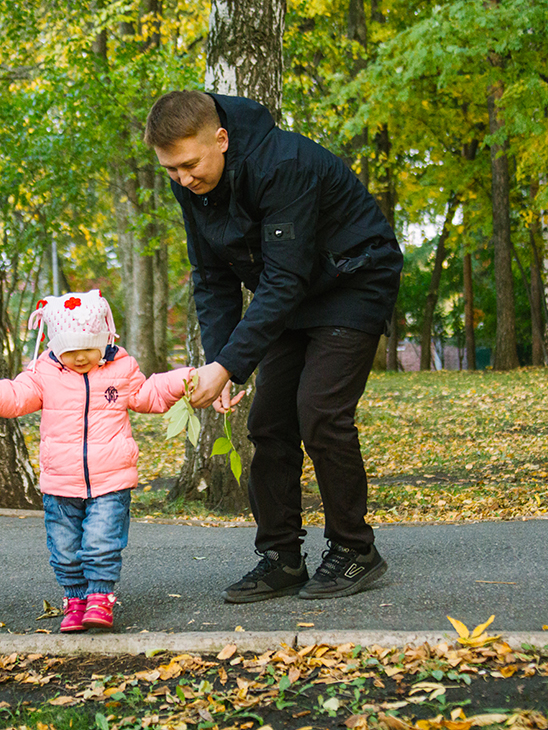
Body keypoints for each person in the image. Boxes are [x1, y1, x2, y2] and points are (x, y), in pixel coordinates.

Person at [144, 90, 403, 604]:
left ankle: (355, 550)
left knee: (320, 413)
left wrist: (231, 364)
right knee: (268, 424)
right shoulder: (190, 183)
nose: (183, 179)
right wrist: (222, 360)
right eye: (171, 171)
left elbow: (284, 279)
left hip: (354, 280)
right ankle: (282, 557)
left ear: (220, 138)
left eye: (190, 165)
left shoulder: (283, 163)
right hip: (294, 290)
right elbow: (212, 275)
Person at [0, 290, 192, 632]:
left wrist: (184, 379)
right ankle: (75, 599)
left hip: (110, 478)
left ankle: (99, 597)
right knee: (64, 549)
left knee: (101, 542)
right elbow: (11, 398)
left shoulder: (121, 368)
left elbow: (149, 396)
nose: (79, 357)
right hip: (60, 481)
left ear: (104, 339)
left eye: (87, 348)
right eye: (69, 350)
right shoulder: (42, 372)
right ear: (55, 346)